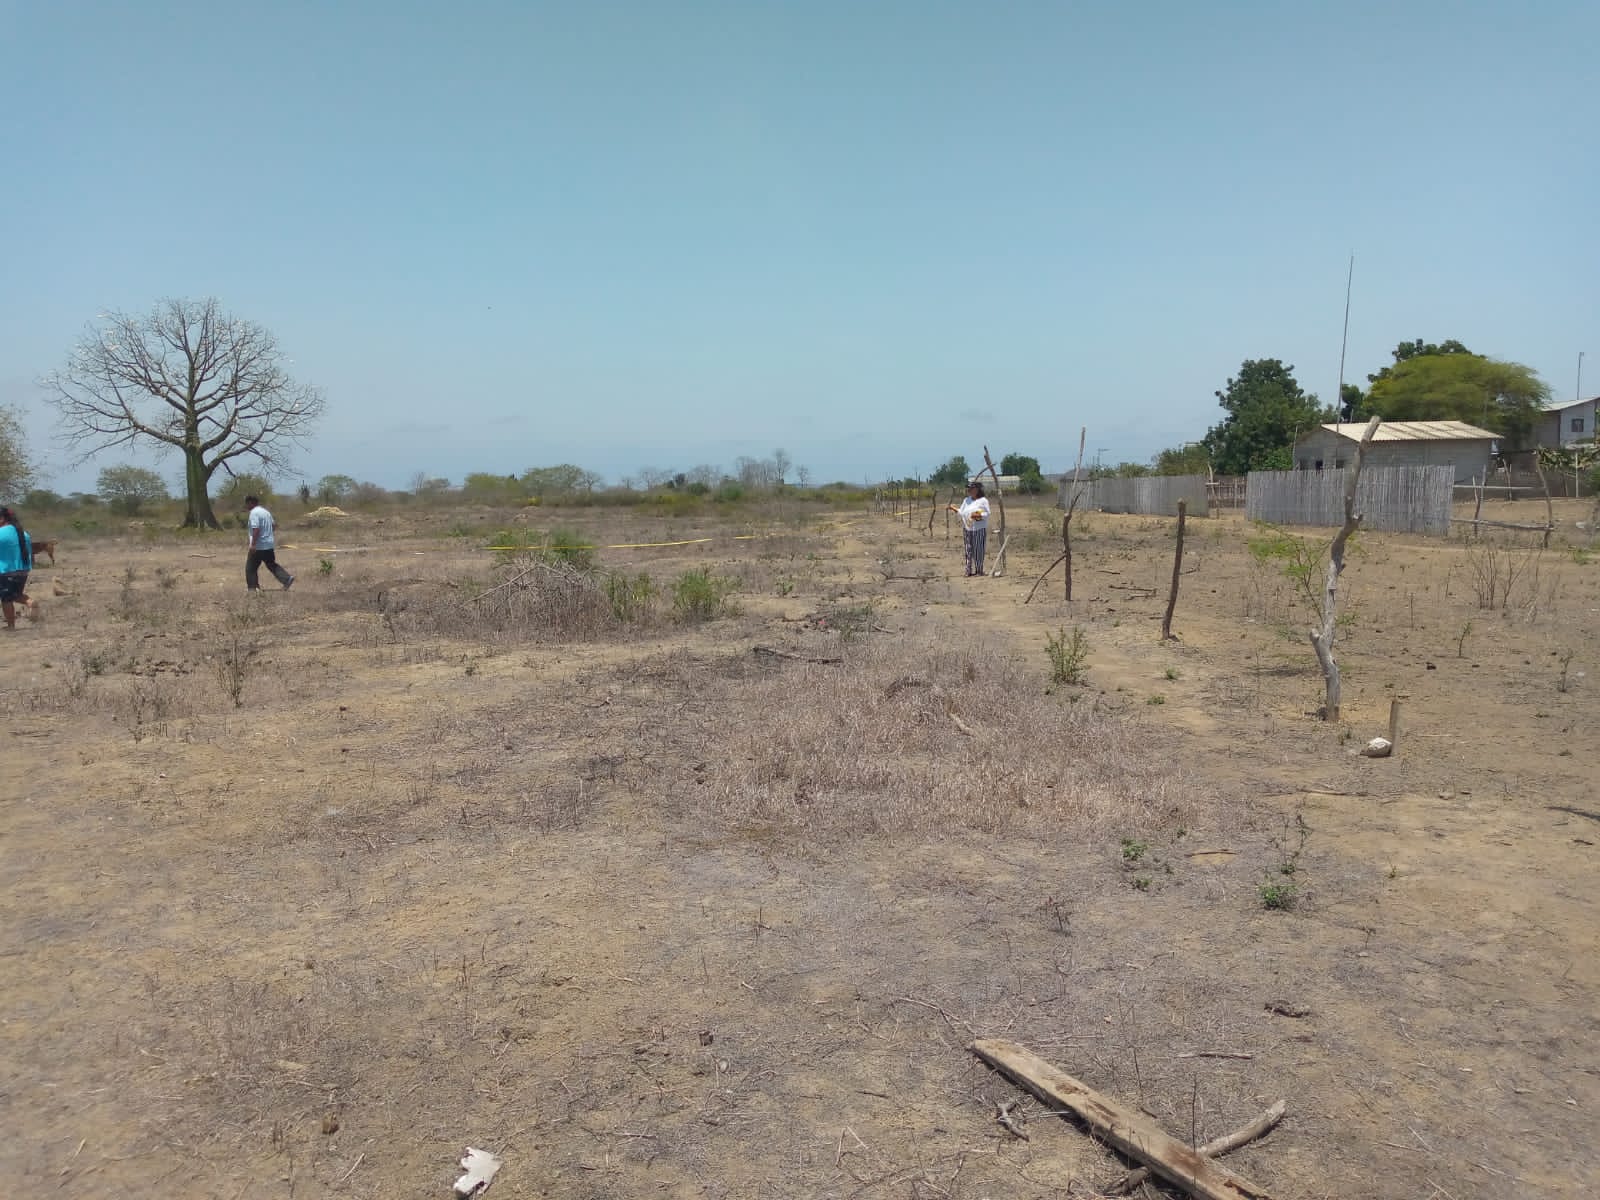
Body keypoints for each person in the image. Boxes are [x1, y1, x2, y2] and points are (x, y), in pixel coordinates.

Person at [244, 495, 295, 591]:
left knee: (250, 567)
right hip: (269, 544)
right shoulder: (266, 512)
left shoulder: (254, 513)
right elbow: (273, 525)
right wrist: (267, 535)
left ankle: (252, 588)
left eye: (247, 504)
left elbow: (256, 529)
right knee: (271, 564)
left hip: (258, 546)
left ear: (250, 503)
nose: (246, 506)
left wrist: (253, 544)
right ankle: (287, 579)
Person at [0, 505, 37, 628]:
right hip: (23, 571)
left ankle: (11, 626)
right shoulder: (23, 533)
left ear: (2, 519)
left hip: (6, 571)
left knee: (6, 599)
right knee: (16, 595)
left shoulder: (1, 533)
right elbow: (30, 553)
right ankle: (30, 602)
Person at [947, 481, 991, 577]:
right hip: (967, 528)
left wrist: (978, 515)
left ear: (977, 490)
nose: (969, 490)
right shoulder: (966, 500)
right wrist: (954, 509)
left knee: (978, 550)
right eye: (968, 489)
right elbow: (962, 512)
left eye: (971, 488)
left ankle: (979, 570)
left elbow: (987, 514)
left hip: (979, 529)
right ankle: (968, 570)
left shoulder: (983, 501)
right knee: (968, 550)